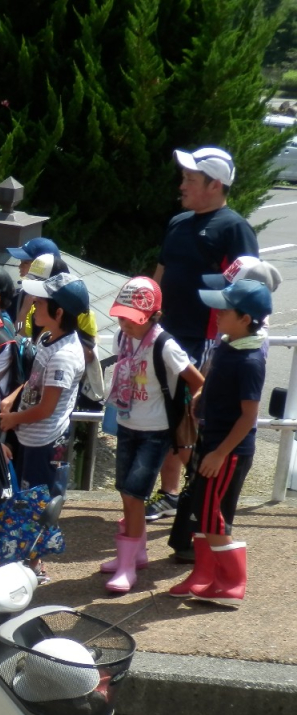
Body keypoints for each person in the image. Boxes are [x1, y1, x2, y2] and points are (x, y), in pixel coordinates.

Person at [149, 147, 259, 527]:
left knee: (192, 420)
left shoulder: (234, 228)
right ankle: (170, 494)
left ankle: (198, 497)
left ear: (215, 185)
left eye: (191, 180)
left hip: (205, 341)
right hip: (165, 336)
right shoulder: (178, 222)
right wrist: (150, 318)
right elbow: (162, 271)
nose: (182, 185)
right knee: (165, 417)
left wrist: (227, 347)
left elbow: (248, 288)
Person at [168, 279, 269, 605]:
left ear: (245, 318)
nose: (218, 313)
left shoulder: (250, 360)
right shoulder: (229, 343)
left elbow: (248, 417)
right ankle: (204, 574)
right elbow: (212, 374)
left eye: (225, 309)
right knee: (201, 509)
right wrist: (201, 391)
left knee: (213, 514)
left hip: (228, 450)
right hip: (210, 440)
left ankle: (232, 579)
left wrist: (221, 453)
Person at [101, 276, 204, 593]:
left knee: (135, 494)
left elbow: (196, 381)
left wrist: (192, 412)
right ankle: (135, 553)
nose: (125, 324)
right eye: (121, 317)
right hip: (128, 423)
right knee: (125, 491)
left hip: (156, 431)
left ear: (152, 316)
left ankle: (128, 565)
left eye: (132, 319)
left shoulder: (165, 345)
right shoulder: (124, 338)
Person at [0, 272, 88, 507]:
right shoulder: (48, 337)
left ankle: (42, 544)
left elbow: (47, 408)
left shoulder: (64, 356)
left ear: (58, 313)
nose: (33, 308)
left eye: (39, 303)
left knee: (39, 506)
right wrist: (14, 396)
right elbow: (36, 379)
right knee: (24, 502)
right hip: (30, 437)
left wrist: (13, 418)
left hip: (45, 443)